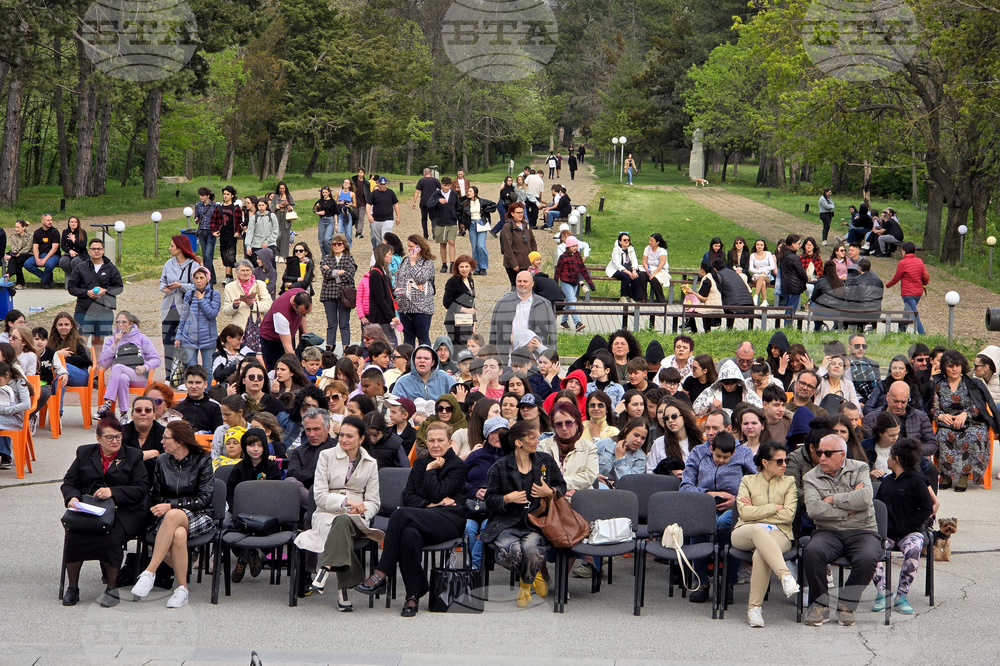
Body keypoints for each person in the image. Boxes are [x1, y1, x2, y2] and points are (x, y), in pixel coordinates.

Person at [355, 420, 467, 616]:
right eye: (431, 440)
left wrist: (431, 471)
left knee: (400, 514)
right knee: (408, 534)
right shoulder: (420, 463)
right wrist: (430, 504)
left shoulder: (457, 465)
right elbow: (408, 496)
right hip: (422, 519)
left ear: (450, 442)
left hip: (449, 521)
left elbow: (438, 492)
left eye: (440, 440)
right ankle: (412, 596)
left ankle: (381, 572)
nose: (435, 444)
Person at [290, 414, 380, 610]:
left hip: (357, 517)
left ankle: (326, 567)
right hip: (327, 513)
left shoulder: (370, 462)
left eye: (350, 436)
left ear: (361, 439)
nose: (344, 440)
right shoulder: (326, 456)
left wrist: (362, 508)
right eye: (341, 435)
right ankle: (343, 590)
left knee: (345, 521)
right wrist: (346, 502)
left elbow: (374, 502)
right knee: (340, 523)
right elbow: (320, 496)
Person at [60, 416, 148, 607]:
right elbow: (70, 482)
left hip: (125, 510)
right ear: (98, 438)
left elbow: (141, 489)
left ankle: (112, 588)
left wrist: (113, 492)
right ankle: (73, 587)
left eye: (118, 437)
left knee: (110, 537)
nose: (114, 441)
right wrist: (72, 498)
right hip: (90, 508)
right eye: (109, 437)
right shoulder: (85, 453)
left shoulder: (133, 456)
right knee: (74, 534)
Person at [129, 421, 214, 608]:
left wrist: (171, 505)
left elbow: (204, 499)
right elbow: (155, 495)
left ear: (180, 441)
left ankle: (149, 572)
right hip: (169, 520)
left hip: (198, 516)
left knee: (174, 515)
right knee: (178, 534)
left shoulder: (203, 460)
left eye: (166, 438)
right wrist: (169, 506)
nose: (162, 442)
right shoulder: (162, 461)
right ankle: (182, 589)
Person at [801, 434, 882, 627]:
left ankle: (847, 605)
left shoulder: (860, 468)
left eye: (828, 454)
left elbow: (865, 498)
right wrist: (849, 508)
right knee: (812, 552)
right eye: (820, 452)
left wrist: (832, 499)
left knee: (867, 557)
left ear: (842, 454)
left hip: (863, 530)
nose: (822, 458)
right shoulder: (810, 477)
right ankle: (820, 606)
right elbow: (814, 510)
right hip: (828, 531)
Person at [482, 420, 565, 606]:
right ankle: (534, 574)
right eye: (533, 438)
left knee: (531, 547)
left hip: (537, 521)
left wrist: (549, 492)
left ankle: (525, 585)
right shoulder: (500, 467)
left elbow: (562, 487)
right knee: (510, 551)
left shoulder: (545, 461)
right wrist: (507, 498)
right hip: (507, 523)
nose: (537, 441)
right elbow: (489, 500)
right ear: (519, 442)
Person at [680, 431, 757, 604]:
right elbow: (685, 486)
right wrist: (709, 494)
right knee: (701, 525)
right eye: (717, 456)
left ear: (733, 453)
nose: (721, 460)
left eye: (726, 457)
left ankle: (728, 582)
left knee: (724, 524)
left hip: (734, 505)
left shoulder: (744, 454)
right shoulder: (698, 453)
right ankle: (701, 582)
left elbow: (756, 485)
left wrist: (736, 500)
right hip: (705, 504)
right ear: (711, 449)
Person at [732, 441, 800, 627]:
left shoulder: (789, 482)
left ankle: (754, 608)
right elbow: (744, 513)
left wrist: (756, 509)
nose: (784, 465)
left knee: (761, 553)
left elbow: (788, 515)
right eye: (779, 461)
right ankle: (785, 576)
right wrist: (773, 507)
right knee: (757, 530)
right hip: (747, 530)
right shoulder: (748, 481)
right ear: (765, 462)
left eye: (785, 460)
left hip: (779, 531)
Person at [871, 438, 935, 615]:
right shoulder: (887, 481)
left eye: (890, 455)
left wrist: (909, 525)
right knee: (870, 549)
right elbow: (879, 507)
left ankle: (902, 595)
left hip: (910, 532)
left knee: (913, 549)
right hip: (887, 533)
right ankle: (882, 592)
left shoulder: (917, 481)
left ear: (896, 459)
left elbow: (927, 508)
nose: (888, 459)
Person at [931, 350, 1000, 491]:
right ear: (944, 368)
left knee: (974, 435)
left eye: (957, 365)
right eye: (950, 366)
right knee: (942, 435)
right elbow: (933, 407)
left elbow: (979, 406)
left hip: (971, 422)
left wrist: (965, 414)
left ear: (962, 366)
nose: (955, 369)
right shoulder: (938, 385)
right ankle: (945, 474)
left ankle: (964, 475)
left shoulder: (971, 383)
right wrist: (941, 416)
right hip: (948, 422)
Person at [96, 312, 161, 421]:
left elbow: (156, 359)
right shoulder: (112, 340)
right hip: (119, 377)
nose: (120, 325)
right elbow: (103, 363)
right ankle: (124, 414)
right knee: (122, 378)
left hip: (138, 376)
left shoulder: (141, 338)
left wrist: (145, 367)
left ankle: (107, 404)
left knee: (117, 367)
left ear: (131, 323)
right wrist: (114, 344)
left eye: (124, 322)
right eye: (118, 322)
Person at [65, 238, 123, 352]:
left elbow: (119, 287)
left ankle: (97, 363)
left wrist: (105, 290)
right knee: (81, 341)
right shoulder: (80, 267)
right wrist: (86, 292)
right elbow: (71, 287)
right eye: (94, 249)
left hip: (104, 310)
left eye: (99, 249)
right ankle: (83, 362)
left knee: (98, 342)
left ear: (103, 250)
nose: (96, 251)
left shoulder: (111, 268)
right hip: (84, 309)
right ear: (89, 250)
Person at [489, 271, 556, 360]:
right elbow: (493, 332)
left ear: (532, 284)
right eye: (519, 281)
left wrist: (551, 357)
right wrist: (491, 357)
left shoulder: (544, 304)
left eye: (525, 281)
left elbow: (552, 333)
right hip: (507, 356)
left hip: (534, 357)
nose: (522, 284)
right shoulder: (502, 303)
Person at [537, 402, 598, 500]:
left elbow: (589, 475)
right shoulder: (543, 446)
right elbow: (539, 475)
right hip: (550, 499)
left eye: (568, 423)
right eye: (559, 424)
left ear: (577, 423)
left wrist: (561, 485)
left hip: (580, 499)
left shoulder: (589, 447)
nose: (564, 428)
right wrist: (559, 490)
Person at [159, 236, 199, 376]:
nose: (169, 248)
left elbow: (198, 286)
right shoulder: (168, 264)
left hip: (185, 310)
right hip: (169, 308)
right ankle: (169, 375)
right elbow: (162, 281)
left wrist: (181, 286)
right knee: (168, 343)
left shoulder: (194, 265)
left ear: (180, 248)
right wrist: (164, 288)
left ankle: (185, 376)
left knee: (185, 344)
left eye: (172, 246)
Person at [395, 235, 436, 347]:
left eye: (411, 246)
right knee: (408, 338)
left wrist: (413, 263)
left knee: (423, 336)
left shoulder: (428, 263)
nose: (409, 249)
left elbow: (421, 278)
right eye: (408, 246)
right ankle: (408, 358)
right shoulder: (405, 261)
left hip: (422, 307)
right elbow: (399, 278)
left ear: (419, 247)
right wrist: (396, 291)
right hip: (405, 307)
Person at [317, 233, 357, 350]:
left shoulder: (349, 258)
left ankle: (346, 346)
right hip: (328, 295)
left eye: (339, 244)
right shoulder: (326, 258)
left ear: (344, 245)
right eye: (334, 244)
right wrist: (339, 272)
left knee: (344, 323)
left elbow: (349, 275)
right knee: (331, 323)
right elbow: (325, 273)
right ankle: (330, 345)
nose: (336, 246)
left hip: (345, 294)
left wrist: (332, 272)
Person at [175, 266, 221, 368]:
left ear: (207, 279)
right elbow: (184, 316)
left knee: (209, 369)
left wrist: (201, 300)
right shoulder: (189, 294)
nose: (198, 280)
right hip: (189, 338)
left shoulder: (214, 294)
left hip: (208, 339)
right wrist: (178, 336)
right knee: (192, 369)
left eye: (201, 278)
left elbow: (212, 314)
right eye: (196, 278)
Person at [259, 288, 312, 370]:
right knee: (277, 368)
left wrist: (305, 332)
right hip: (271, 340)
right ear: (293, 304)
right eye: (301, 313)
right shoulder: (280, 314)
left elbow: (303, 315)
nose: (304, 316)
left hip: (289, 332)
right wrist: (298, 370)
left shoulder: (303, 294)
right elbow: (288, 348)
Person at [885, 242, 929, 334]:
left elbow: (897, 277)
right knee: (907, 312)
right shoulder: (919, 261)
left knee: (914, 315)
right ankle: (901, 332)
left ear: (904, 251)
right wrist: (924, 283)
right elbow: (926, 276)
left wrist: (887, 285)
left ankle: (922, 334)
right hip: (918, 293)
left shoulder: (902, 263)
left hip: (908, 293)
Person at [692, 360, 762, 418]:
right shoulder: (712, 391)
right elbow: (695, 410)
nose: (728, 386)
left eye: (732, 383)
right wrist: (710, 400)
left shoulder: (747, 393)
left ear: (737, 381)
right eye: (725, 383)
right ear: (720, 381)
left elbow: (760, 410)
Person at [647, 398, 700, 474]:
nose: (670, 420)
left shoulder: (697, 442)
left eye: (674, 416)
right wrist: (669, 474)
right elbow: (649, 472)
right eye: (666, 418)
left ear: (684, 416)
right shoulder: (659, 443)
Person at [221, 259, 273, 333]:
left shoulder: (260, 284)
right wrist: (234, 306)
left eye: (248, 270)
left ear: (252, 271)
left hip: (257, 327)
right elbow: (226, 311)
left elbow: (269, 305)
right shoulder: (229, 287)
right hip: (239, 328)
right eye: (243, 270)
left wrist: (253, 305)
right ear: (236, 272)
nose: (245, 273)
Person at [555, 236, 594, 332]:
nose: (575, 248)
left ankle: (564, 322)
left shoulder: (577, 256)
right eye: (573, 246)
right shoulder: (563, 257)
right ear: (568, 246)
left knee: (569, 301)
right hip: (565, 282)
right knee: (572, 301)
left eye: (576, 246)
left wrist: (590, 284)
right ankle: (577, 323)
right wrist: (555, 285)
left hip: (575, 282)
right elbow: (558, 271)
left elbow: (583, 270)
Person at [597, 417, 647, 488]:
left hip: (620, 493)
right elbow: (585, 468)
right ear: (626, 431)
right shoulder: (604, 444)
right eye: (636, 435)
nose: (639, 440)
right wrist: (595, 478)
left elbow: (629, 484)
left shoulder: (641, 458)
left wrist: (620, 459)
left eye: (643, 438)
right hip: (596, 489)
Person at [499, 203, 537, 288]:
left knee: (527, 287)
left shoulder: (525, 224)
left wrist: (535, 258)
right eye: (518, 213)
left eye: (521, 212)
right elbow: (507, 247)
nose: (520, 215)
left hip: (526, 262)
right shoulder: (507, 227)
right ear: (512, 213)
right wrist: (513, 263)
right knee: (517, 287)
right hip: (515, 264)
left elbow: (532, 241)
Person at [442, 255, 477, 347]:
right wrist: (465, 310)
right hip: (455, 321)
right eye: (461, 267)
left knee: (466, 347)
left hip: (467, 321)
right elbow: (447, 302)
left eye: (466, 266)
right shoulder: (453, 281)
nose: (464, 269)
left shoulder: (470, 280)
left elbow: (471, 301)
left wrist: (474, 320)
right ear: (457, 268)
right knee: (461, 348)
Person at [175, 365, 223, 433]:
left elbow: (218, 433)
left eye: (198, 382)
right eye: (190, 382)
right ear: (185, 384)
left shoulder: (215, 407)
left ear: (205, 384)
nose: (194, 386)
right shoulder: (177, 406)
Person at [777, 234, 808, 327]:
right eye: (798, 243)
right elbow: (801, 272)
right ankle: (788, 327)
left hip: (786, 285)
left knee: (788, 307)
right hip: (794, 286)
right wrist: (806, 278)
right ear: (792, 244)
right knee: (791, 309)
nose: (800, 245)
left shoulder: (783, 255)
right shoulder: (794, 257)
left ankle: (787, 326)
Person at [24, 213, 61, 289]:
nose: (50, 222)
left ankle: (44, 281)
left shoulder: (55, 232)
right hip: (41, 254)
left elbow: (54, 248)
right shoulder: (37, 232)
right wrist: (37, 259)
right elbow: (35, 247)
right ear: (42, 222)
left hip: (53, 255)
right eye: (48, 220)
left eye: (51, 220)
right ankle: (46, 276)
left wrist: (45, 259)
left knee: (49, 264)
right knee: (27, 264)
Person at [192, 188, 220, 284]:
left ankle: (207, 278)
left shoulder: (215, 206)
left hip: (211, 232)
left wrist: (216, 230)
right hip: (201, 231)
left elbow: (218, 220)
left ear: (208, 195)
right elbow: (197, 216)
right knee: (205, 256)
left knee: (208, 255)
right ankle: (212, 278)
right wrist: (196, 219)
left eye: (203, 195)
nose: (201, 197)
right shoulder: (198, 205)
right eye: (200, 195)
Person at [606, 232, 642, 303]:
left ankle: (632, 297)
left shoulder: (631, 249)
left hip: (629, 269)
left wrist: (634, 270)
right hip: (616, 270)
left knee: (636, 277)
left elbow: (634, 260)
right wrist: (627, 272)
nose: (627, 241)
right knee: (626, 276)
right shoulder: (616, 250)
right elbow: (616, 264)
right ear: (620, 242)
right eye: (624, 240)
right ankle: (623, 296)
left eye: (628, 240)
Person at [847, 334, 880, 407]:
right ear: (849, 347)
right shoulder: (842, 364)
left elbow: (876, 391)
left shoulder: (873, 365)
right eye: (857, 346)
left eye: (864, 346)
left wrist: (864, 403)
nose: (861, 349)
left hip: (868, 404)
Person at [245, 198, 279, 262]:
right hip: (257, 244)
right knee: (257, 264)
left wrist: (267, 242)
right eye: (259, 205)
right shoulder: (254, 217)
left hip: (270, 244)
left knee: (270, 263)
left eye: (262, 205)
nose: (261, 207)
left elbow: (275, 230)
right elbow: (250, 232)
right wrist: (248, 246)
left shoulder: (272, 216)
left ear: (266, 205)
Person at [58, 216, 88, 288]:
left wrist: (74, 240)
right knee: (63, 261)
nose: (73, 223)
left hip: (81, 253)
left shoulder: (82, 232)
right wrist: (70, 251)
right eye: (71, 222)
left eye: (75, 222)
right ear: (69, 223)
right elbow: (63, 246)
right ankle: (73, 278)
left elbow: (83, 246)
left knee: (75, 261)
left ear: (78, 223)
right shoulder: (65, 232)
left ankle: (77, 280)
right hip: (69, 253)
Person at [412, 168, 441, 240]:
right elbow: (441, 189)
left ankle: (425, 235)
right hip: (433, 202)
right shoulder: (435, 180)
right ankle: (434, 229)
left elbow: (417, 191)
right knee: (434, 218)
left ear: (424, 173)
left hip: (424, 202)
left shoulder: (421, 181)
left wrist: (414, 202)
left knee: (424, 218)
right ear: (430, 173)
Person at [747, 238, 776, 306]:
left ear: (764, 246)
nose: (759, 246)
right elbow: (750, 268)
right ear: (755, 245)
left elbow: (772, 266)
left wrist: (763, 269)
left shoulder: (768, 254)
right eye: (758, 244)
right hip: (756, 276)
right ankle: (765, 301)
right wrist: (760, 271)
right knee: (762, 281)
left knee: (762, 277)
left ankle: (755, 296)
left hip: (767, 276)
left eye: (761, 245)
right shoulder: (752, 255)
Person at [6, 219, 32, 289]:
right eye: (15, 227)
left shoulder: (30, 237)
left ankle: (8, 274)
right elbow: (13, 246)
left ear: (24, 227)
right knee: (18, 263)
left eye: (18, 227)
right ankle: (20, 283)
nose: (16, 229)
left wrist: (19, 253)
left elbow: (28, 248)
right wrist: (15, 251)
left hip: (28, 254)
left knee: (16, 258)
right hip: (17, 255)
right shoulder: (13, 236)